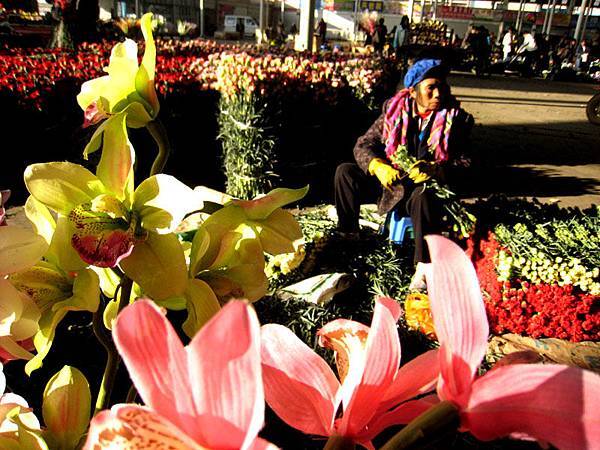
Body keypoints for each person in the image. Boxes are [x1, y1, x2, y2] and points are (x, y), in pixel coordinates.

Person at [334, 59, 474, 289]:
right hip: (391, 184)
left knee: (423, 196)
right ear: (413, 91)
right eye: (431, 88)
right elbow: (363, 144)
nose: (438, 93)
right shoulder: (394, 112)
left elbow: (467, 163)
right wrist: (377, 165)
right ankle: (348, 235)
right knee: (345, 172)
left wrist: (436, 169)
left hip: (422, 193)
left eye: (442, 87)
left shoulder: (456, 119)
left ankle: (423, 267)